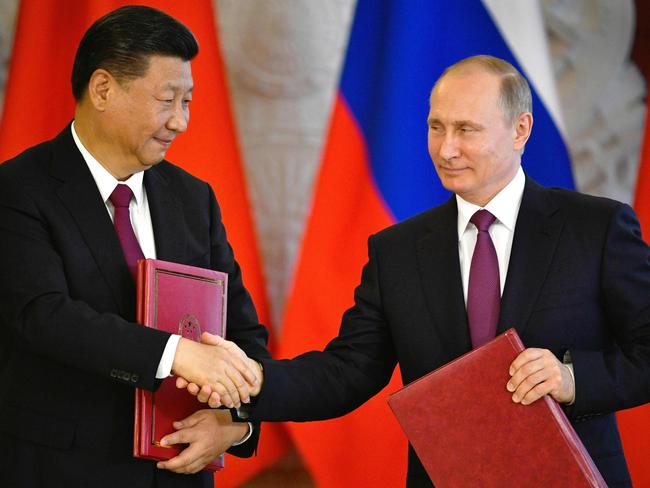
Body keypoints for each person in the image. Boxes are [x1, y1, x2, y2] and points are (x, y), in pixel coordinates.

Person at [188, 55, 650, 487]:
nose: (447, 149)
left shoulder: (598, 228)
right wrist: (250, 378)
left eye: (467, 129)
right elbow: (346, 372)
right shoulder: (398, 250)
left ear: (520, 129)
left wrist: (573, 379)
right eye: (436, 127)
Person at [0, 6, 267, 487]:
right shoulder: (19, 188)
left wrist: (236, 424)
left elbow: (242, 332)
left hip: (180, 471)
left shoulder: (193, 198)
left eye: (188, 101)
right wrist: (175, 353)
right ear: (103, 89)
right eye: (167, 100)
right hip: (63, 470)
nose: (181, 121)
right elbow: (42, 316)